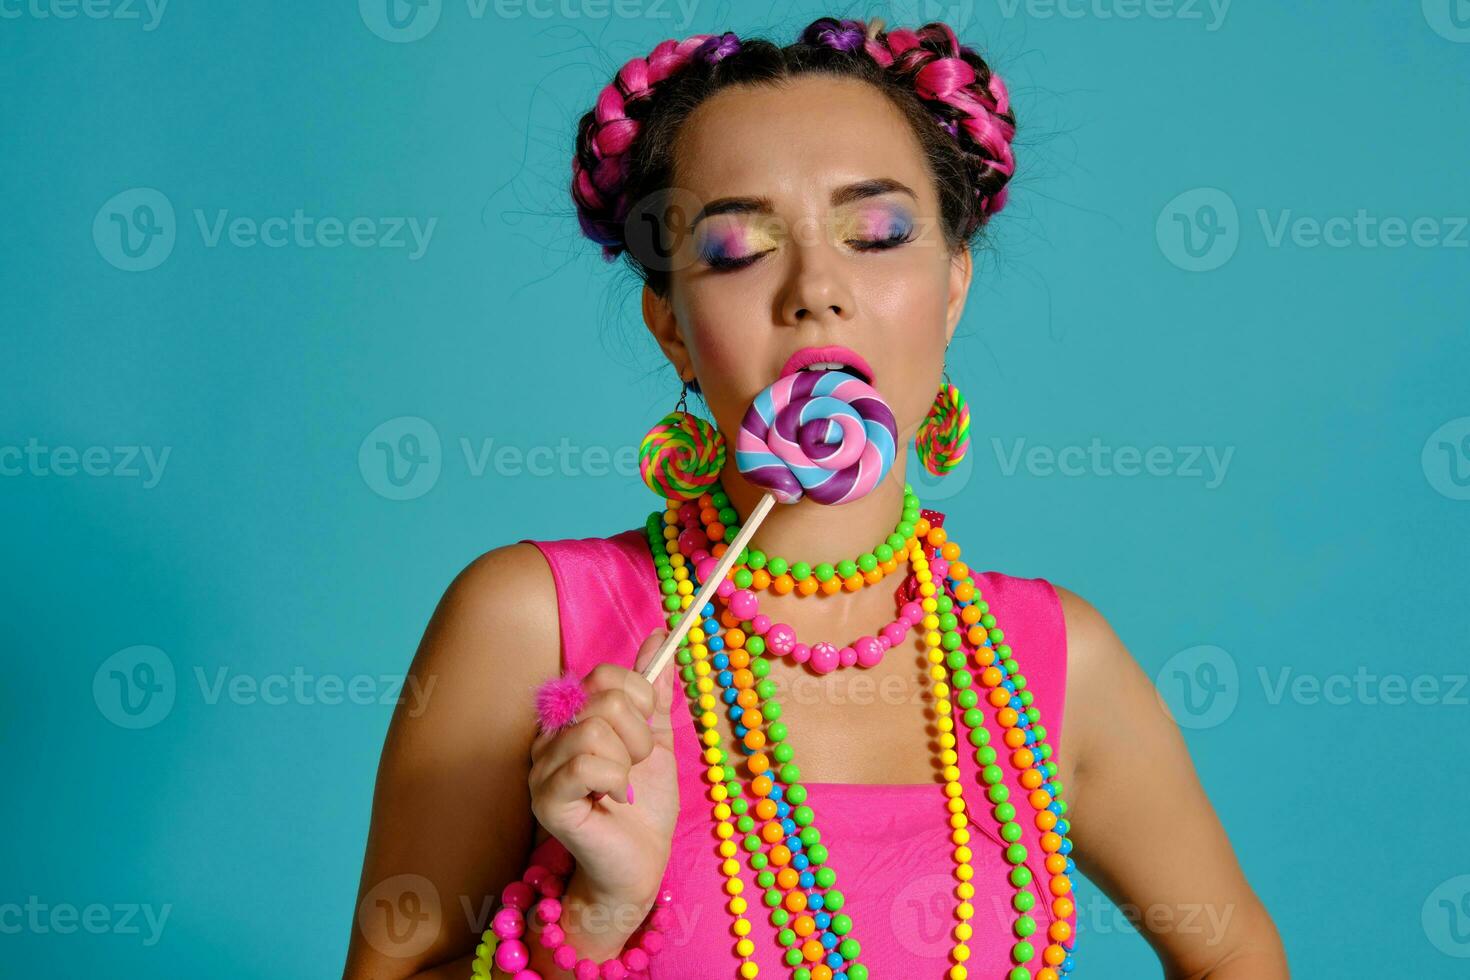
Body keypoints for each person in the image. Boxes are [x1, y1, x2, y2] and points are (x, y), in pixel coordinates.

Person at [342, 16, 1289, 980]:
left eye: (877, 234)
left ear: (952, 286)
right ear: (670, 323)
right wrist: (593, 917)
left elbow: (1238, 958)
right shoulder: (530, 621)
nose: (817, 290)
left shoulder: (1053, 662)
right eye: (737, 250)